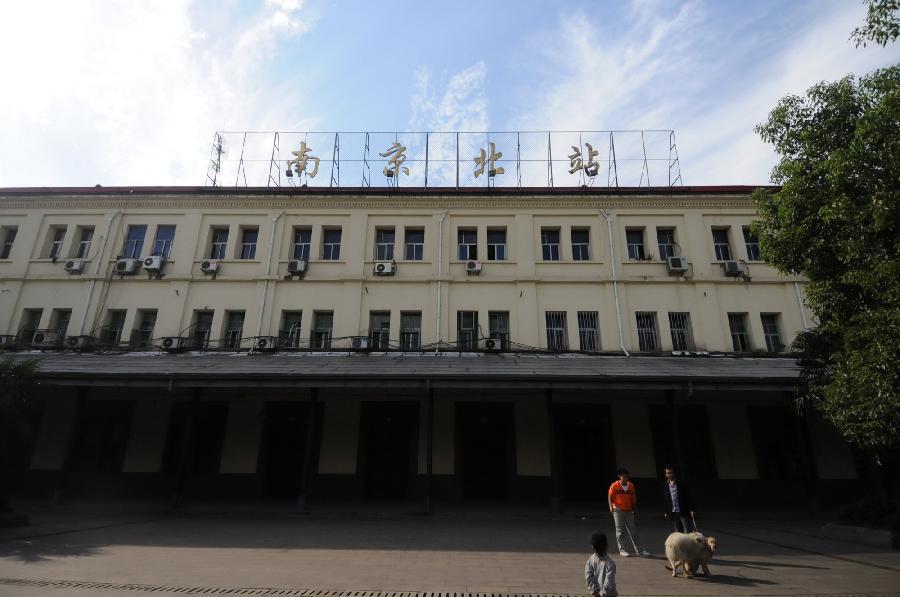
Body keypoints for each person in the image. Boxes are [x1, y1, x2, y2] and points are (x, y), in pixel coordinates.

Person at [607, 468, 650, 557]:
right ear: (619, 476)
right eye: (624, 476)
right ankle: (622, 550)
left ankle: (639, 550)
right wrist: (611, 506)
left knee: (633, 530)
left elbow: (633, 497)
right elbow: (610, 496)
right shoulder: (614, 485)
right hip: (618, 510)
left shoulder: (631, 486)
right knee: (620, 531)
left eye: (627, 476)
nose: (626, 478)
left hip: (629, 510)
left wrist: (634, 508)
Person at [661, 466, 695, 533]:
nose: (670, 474)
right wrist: (666, 511)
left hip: (683, 510)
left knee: (687, 531)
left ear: (674, 473)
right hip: (674, 512)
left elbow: (689, 497)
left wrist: (692, 509)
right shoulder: (666, 485)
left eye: (671, 472)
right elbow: (666, 499)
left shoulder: (681, 483)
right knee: (678, 532)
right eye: (668, 473)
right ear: (666, 475)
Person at [585, 531, 618, 597]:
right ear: (606, 545)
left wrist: (594, 591)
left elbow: (588, 577)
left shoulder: (590, 560)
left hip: (596, 594)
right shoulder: (610, 563)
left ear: (592, 547)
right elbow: (609, 583)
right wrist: (602, 594)